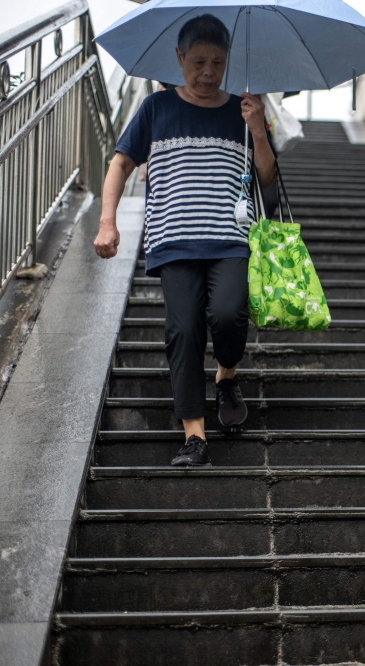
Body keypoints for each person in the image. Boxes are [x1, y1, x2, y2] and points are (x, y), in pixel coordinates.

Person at [94, 14, 277, 467]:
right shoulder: (156, 109)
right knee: (184, 330)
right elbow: (119, 164)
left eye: (217, 62)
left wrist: (257, 128)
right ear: (179, 59)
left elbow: (269, 177)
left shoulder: (244, 109)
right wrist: (107, 221)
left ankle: (226, 374)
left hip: (231, 238)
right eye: (198, 62)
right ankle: (194, 436)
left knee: (231, 314)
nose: (208, 72)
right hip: (172, 240)